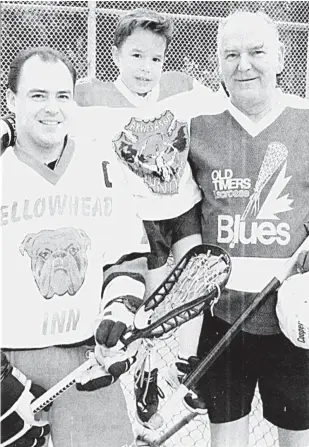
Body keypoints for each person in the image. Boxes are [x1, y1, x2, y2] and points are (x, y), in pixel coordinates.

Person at [0, 46, 150, 447]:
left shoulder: (100, 164)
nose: (52, 108)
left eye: (62, 96)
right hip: (10, 359)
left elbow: (127, 255)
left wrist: (118, 309)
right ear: (12, 100)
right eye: (37, 96)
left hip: (86, 359)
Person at [75, 9, 218, 426]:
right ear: (116, 55)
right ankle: (146, 376)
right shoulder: (91, 97)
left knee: (197, 286)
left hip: (184, 205)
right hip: (141, 220)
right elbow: (51, 111)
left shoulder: (182, 87)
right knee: (152, 309)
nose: (146, 67)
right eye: (136, 56)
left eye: (155, 58)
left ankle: (186, 365)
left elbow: (229, 108)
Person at [187, 10, 309, 447]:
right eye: (231, 54)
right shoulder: (196, 126)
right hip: (220, 312)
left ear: (281, 57)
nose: (244, 65)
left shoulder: (306, 120)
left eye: (257, 52)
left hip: (294, 315)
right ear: (217, 63)